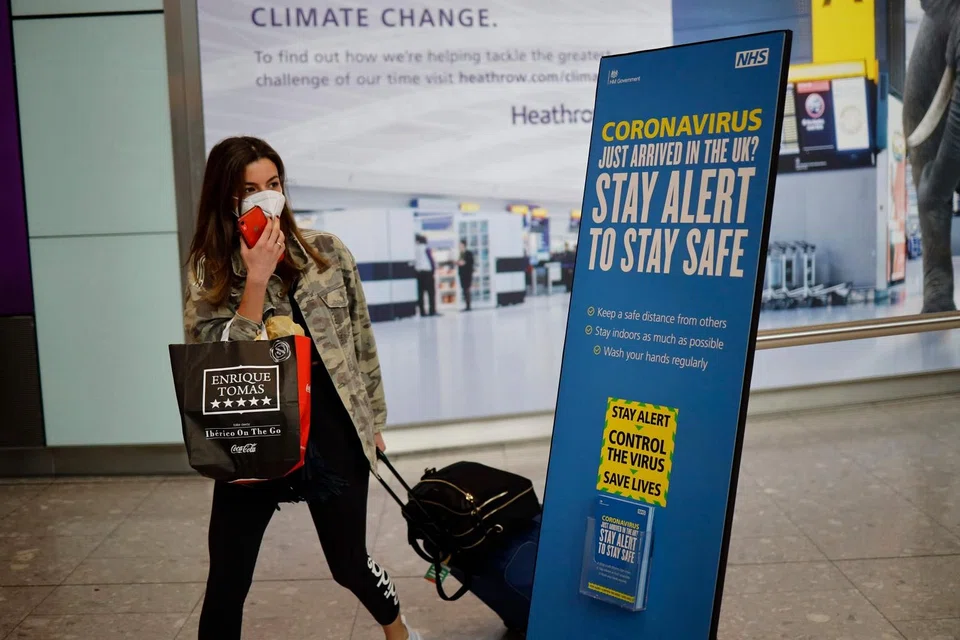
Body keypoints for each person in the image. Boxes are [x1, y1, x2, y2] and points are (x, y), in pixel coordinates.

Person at [182, 136, 423, 640]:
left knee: (349, 563)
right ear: (226, 197)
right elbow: (219, 363)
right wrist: (255, 279)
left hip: (334, 433)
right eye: (250, 189)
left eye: (273, 184)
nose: (266, 197)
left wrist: (374, 423)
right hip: (254, 435)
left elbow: (361, 342)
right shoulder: (211, 269)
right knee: (228, 574)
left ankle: (399, 630)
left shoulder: (327, 251)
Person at [414, 234, 438, 316]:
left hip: (418, 273)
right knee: (431, 293)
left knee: (420, 293)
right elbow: (431, 260)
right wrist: (433, 271)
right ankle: (432, 311)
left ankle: (422, 312)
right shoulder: (426, 248)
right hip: (427, 273)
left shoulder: (414, 249)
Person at [456, 238, 474, 311]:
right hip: (462, 274)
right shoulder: (461, 254)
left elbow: (470, 262)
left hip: (467, 274)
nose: (459, 246)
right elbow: (460, 262)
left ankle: (468, 306)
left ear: (463, 245)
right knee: (464, 289)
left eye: (460, 244)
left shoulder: (468, 253)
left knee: (467, 289)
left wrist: (463, 263)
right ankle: (467, 305)